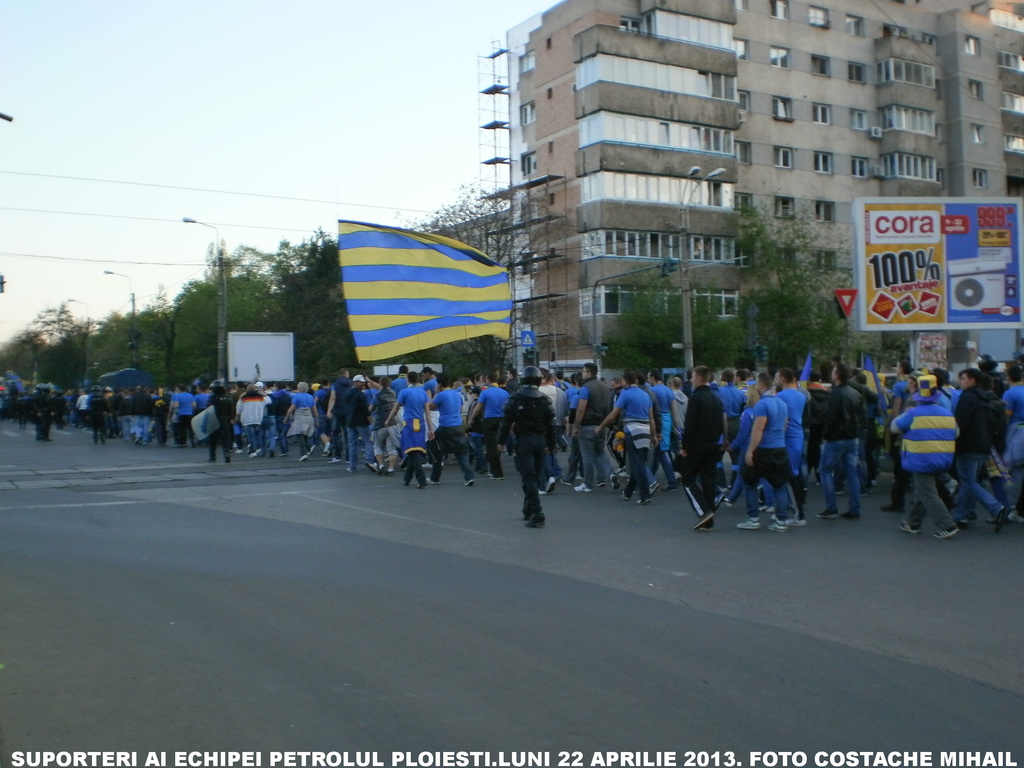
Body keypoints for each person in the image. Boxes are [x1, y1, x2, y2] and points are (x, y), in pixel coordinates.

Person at [891, 375, 959, 539]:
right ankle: (912, 522)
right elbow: (956, 433)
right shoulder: (946, 413)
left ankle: (947, 525)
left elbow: (894, 428)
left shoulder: (914, 413)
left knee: (928, 493)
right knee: (924, 491)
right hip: (942, 457)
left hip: (920, 458)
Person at [952, 367, 1012, 529]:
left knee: (968, 482)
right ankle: (962, 515)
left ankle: (997, 508)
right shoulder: (986, 399)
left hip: (968, 445)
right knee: (970, 481)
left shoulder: (968, 398)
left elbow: (960, 423)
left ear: (972, 380)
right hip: (984, 446)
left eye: (963, 378)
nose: (961, 382)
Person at [497, 366, 556, 528]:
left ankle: (537, 511)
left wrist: (500, 442)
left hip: (524, 440)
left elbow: (505, 422)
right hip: (540, 440)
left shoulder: (515, 399)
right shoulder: (544, 400)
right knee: (534, 475)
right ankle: (529, 507)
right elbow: (551, 424)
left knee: (528, 476)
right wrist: (551, 445)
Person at [737, 372, 792, 531]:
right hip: (779, 448)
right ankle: (781, 520)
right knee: (779, 485)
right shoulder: (782, 403)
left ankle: (753, 518)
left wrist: (750, 451)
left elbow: (758, 428)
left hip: (763, 449)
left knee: (750, 482)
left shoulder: (762, 404)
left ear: (761, 384)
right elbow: (785, 426)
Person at [597, 370, 659, 505]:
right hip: (646, 430)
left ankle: (644, 495)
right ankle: (628, 491)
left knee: (637, 464)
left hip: (632, 430)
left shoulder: (625, 395)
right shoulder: (645, 395)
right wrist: (653, 435)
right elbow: (651, 418)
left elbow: (613, 415)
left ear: (625, 381)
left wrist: (601, 427)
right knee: (639, 461)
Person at [679, 366, 724, 530]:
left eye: (692, 377)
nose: (691, 381)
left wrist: (685, 446)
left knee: (687, 478)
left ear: (699, 378)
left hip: (697, 444)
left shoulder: (696, 398)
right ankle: (709, 520)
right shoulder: (716, 398)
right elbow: (721, 423)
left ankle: (704, 512)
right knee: (708, 480)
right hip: (713, 443)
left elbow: (689, 425)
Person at [817, 364, 864, 520]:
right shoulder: (855, 393)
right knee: (852, 473)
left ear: (837, 376)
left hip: (836, 438)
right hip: (853, 437)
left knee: (825, 470)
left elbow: (830, 418)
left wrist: (825, 436)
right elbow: (860, 415)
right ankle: (854, 508)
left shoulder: (835, 394)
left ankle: (831, 508)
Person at [571, 362, 615, 493]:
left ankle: (587, 483)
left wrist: (576, 426)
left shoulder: (586, 388)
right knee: (600, 452)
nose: (582, 374)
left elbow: (581, 408)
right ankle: (611, 474)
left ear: (589, 372)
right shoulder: (605, 387)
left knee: (587, 455)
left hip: (588, 424)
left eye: (584, 371)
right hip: (602, 424)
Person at [426, 374, 475, 486]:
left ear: (439, 385)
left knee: (435, 448)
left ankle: (435, 477)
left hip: (445, 426)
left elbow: (430, 407)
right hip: (458, 425)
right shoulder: (457, 394)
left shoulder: (441, 395)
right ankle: (469, 477)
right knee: (461, 452)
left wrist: (437, 393)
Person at [386, 370, 432, 488]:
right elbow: (427, 412)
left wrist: (388, 420)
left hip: (409, 424)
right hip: (420, 424)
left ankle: (421, 480)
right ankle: (407, 477)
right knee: (414, 451)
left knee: (412, 451)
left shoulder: (404, 392)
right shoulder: (423, 393)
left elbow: (396, 408)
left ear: (408, 380)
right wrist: (431, 428)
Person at [470, 373, 509, 479]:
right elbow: (508, 408)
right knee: (499, 444)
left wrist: (471, 419)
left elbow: (478, 408)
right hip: (502, 419)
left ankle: (497, 472)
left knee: (491, 447)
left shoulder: (485, 392)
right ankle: (494, 469)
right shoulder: (505, 393)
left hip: (489, 419)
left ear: (488, 379)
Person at [370, 376, 400, 476]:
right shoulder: (393, 393)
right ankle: (391, 469)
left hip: (380, 424)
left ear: (380, 383)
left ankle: (381, 466)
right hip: (392, 423)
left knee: (377, 445)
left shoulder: (377, 395)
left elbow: (371, 409)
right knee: (391, 448)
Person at [285, 382, 319, 460]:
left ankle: (304, 452)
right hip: (309, 415)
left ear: (299, 388)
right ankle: (310, 446)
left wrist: (286, 417)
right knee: (306, 433)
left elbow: (292, 408)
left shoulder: (296, 396)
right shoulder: (311, 397)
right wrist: (317, 420)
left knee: (299, 434)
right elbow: (314, 409)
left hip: (300, 416)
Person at [207, 379, 235, 463]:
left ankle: (212, 457)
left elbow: (207, 408)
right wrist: (230, 417)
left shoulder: (212, 397)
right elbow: (231, 409)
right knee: (225, 439)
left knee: (212, 440)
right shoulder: (227, 397)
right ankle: (227, 455)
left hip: (213, 420)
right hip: (224, 420)